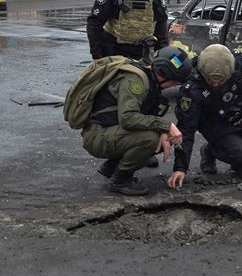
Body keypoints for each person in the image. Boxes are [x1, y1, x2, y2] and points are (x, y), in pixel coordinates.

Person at [87, 0, 169, 168]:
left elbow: (161, 21)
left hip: (142, 54)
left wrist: (163, 51)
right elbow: (94, 23)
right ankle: (115, 158)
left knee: (147, 102)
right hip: (115, 54)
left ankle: (143, 150)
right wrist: (98, 57)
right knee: (119, 106)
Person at [167, 44, 242, 190]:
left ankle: (240, 160)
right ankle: (212, 151)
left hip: (241, 111)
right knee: (241, 154)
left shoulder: (237, 61)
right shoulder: (192, 89)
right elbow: (186, 130)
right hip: (217, 126)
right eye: (211, 82)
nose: (216, 84)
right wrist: (180, 168)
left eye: (221, 81)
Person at [81, 46, 192, 196]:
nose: (173, 86)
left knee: (162, 138)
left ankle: (111, 166)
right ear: (164, 73)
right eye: (173, 82)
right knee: (150, 139)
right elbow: (128, 118)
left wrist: (163, 130)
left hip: (110, 131)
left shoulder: (148, 79)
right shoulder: (135, 81)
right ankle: (120, 180)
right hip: (96, 136)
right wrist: (166, 125)